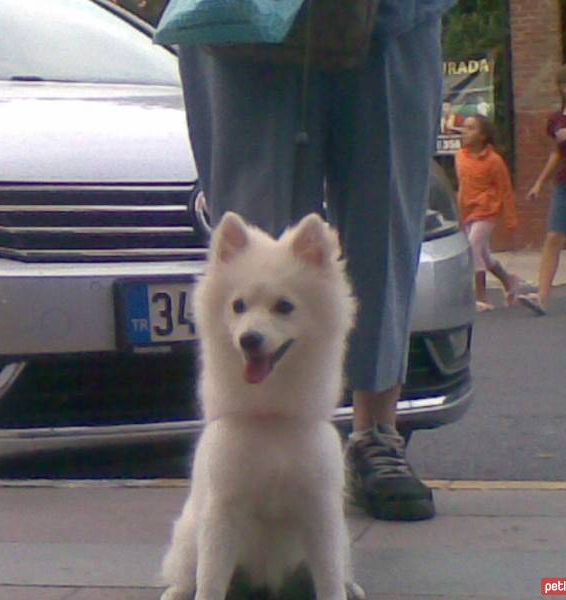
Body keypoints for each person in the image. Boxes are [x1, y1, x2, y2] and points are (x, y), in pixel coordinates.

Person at [176, 0, 457, 521]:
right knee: (252, 239)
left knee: (384, 212)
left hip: (393, 17)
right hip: (240, 20)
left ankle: (377, 431)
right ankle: (252, 443)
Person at [520, 60, 566, 316]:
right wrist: (539, 182)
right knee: (553, 237)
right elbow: (557, 153)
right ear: (564, 88)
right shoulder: (556, 120)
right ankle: (542, 297)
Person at [455, 114, 523, 312]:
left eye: (471, 128)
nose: (465, 132)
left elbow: (505, 189)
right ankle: (509, 281)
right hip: (468, 210)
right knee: (483, 253)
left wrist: (510, 218)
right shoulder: (460, 157)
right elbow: (463, 185)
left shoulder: (494, 161)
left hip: (487, 211)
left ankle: (481, 296)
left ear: (483, 136)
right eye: (464, 128)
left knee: (473, 246)